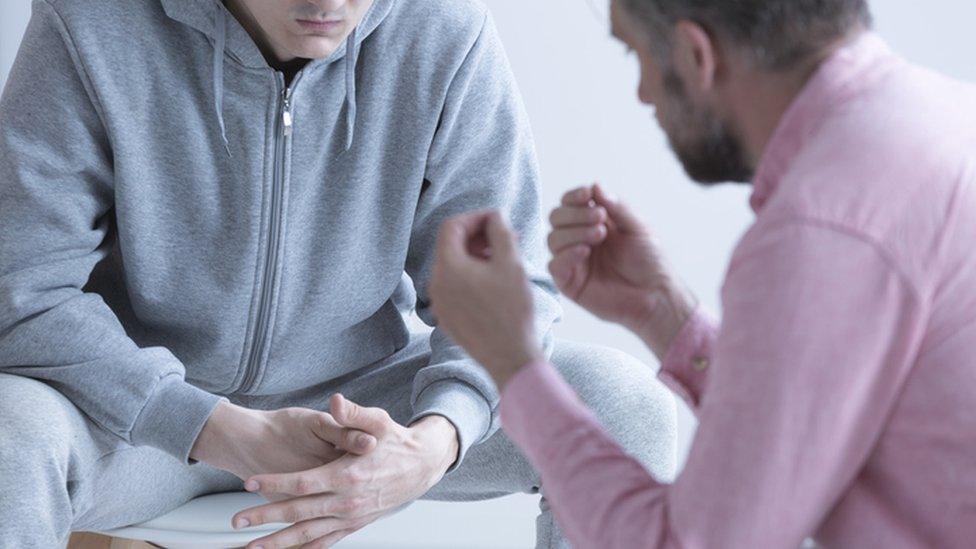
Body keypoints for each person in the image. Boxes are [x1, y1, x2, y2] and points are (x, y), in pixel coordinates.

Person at [0, 0, 679, 547]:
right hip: (135, 416)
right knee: (7, 437)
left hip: (361, 404)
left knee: (620, 403)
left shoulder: (443, 29)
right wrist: (216, 426)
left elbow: (508, 285)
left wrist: (436, 441)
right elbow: (23, 288)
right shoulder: (89, 20)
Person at [429, 0, 976, 547]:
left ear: (695, 54)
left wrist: (512, 362)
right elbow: (809, 432)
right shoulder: (941, 118)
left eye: (634, 52)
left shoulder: (821, 227)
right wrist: (665, 312)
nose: (643, 92)